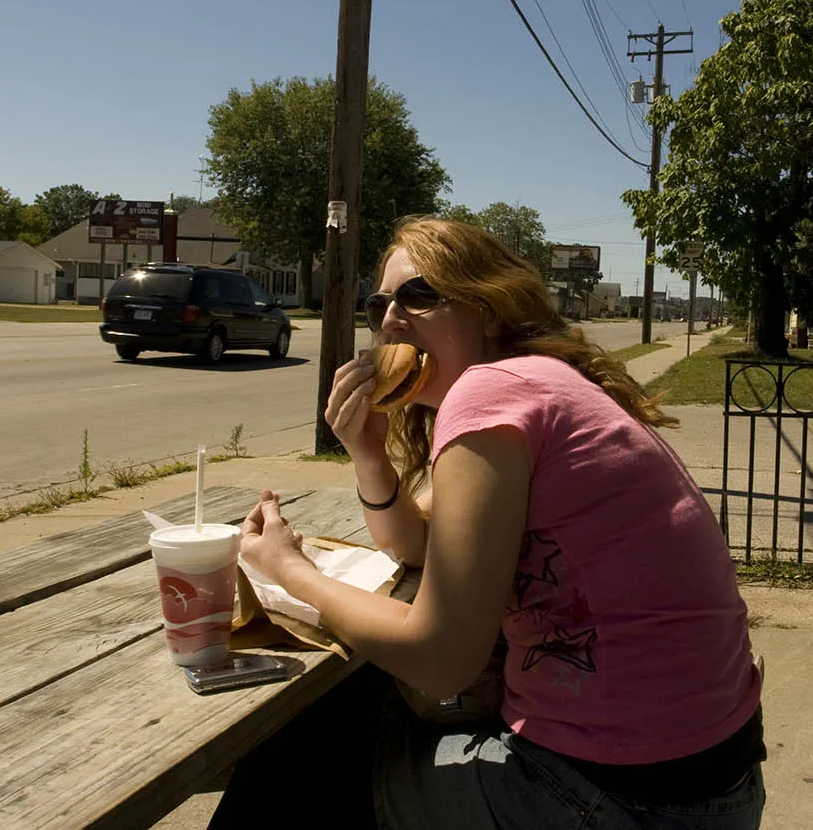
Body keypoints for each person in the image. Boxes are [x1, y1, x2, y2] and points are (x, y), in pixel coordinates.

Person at [233, 217, 765, 829]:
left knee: (293, 759)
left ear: (488, 310)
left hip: (618, 796)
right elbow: (417, 547)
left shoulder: (489, 394)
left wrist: (287, 571)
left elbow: (440, 657)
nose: (387, 321)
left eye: (419, 296)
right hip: (712, 780)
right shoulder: (538, 381)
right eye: (380, 302)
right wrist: (368, 455)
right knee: (354, 708)